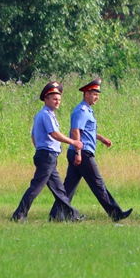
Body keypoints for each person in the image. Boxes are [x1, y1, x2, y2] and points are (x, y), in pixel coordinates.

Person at [48, 78, 132, 222]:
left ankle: (56, 215)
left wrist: (102, 138)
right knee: (98, 183)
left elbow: (87, 131)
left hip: (80, 152)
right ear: (86, 94)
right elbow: (76, 132)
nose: (97, 97)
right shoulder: (81, 111)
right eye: (94, 94)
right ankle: (116, 213)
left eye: (98, 95)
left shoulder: (88, 111)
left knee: (68, 187)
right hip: (83, 153)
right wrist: (79, 153)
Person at [11, 81, 85, 222]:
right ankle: (19, 215)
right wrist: (73, 142)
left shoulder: (45, 114)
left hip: (47, 155)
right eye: (54, 99)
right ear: (46, 99)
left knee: (59, 190)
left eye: (59, 99)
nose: (57, 102)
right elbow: (54, 134)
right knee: (36, 187)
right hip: (47, 155)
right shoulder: (46, 114)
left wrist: (39, 148)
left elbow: (34, 135)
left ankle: (71, 216)